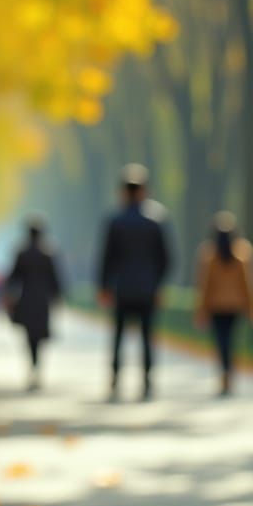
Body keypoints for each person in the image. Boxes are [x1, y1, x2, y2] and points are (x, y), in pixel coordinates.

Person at [97, 163, 171, 401]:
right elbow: (166, 258)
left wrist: (104, 286)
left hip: (122, 288)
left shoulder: (115, 220)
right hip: (148, 289)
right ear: (143, 190)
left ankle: (115, 380)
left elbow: (106, 257)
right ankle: (147, 382)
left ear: (123, 191)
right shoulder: (156, 219)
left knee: (118, 336)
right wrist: (159, 284)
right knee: (147, 337)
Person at [194, 211, 252, 396]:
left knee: (221, 341)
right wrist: (249, 307)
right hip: (234, 305)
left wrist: (201, 309)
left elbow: (205, 285)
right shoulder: (242, 252)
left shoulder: (209, 254)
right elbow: (246, 284)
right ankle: (229, 374)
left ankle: (224, 374)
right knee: (231, 341)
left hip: (216, 306)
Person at [4, 218, 62, 391]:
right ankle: (37, 367)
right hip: (42, 300)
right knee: (40, 335)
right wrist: (57, 297)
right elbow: (55, 279)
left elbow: (13, 277)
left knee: (29, 336)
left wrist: (8, 296)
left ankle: (33, 365)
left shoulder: (22, 254)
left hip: (27, 299)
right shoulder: (48, 254)